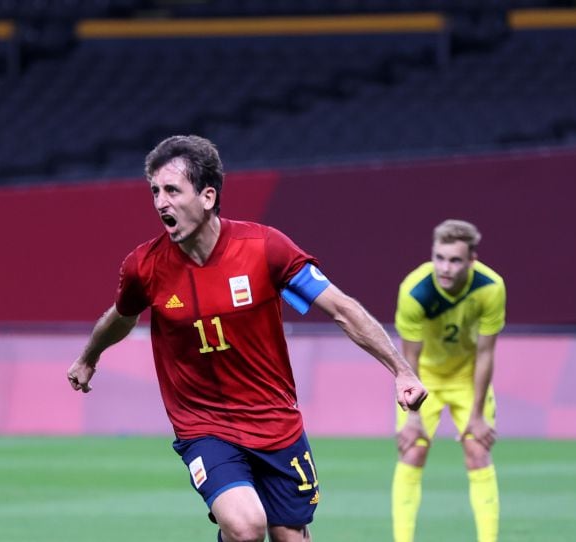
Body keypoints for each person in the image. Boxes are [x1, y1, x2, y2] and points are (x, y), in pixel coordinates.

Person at [67, 135, 428, 542]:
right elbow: (121, 316)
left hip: (274, 421)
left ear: (207, 196)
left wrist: (401, 370)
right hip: (203, 424)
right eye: (155, 191)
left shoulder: (265, 248)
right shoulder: (143, 267)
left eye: (171, 190)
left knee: (290, 535)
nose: (160, 203)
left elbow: (341, 308)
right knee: (245, 527)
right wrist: (89, 357)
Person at [391, 219, 505, 542]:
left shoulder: (490, 288)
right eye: (439, 257)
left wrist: (478, 415)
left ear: (472, 260)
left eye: (455, 260)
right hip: (422, 379)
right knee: (412, 450)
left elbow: (486, 354)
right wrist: (412, 417)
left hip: (468, 379)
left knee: (478, 450)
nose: (445, 267)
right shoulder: (415, 290)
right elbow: (408, 361)